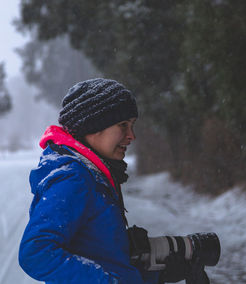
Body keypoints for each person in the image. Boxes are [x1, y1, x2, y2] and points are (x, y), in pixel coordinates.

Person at [18, 78, 193, 284]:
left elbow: (103, 259)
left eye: (132, 125)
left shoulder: (92, 175)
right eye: (123, 125)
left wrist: (157, 274)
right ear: (92, 126)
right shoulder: (74, 177)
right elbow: (36, 253)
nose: (131, 136)